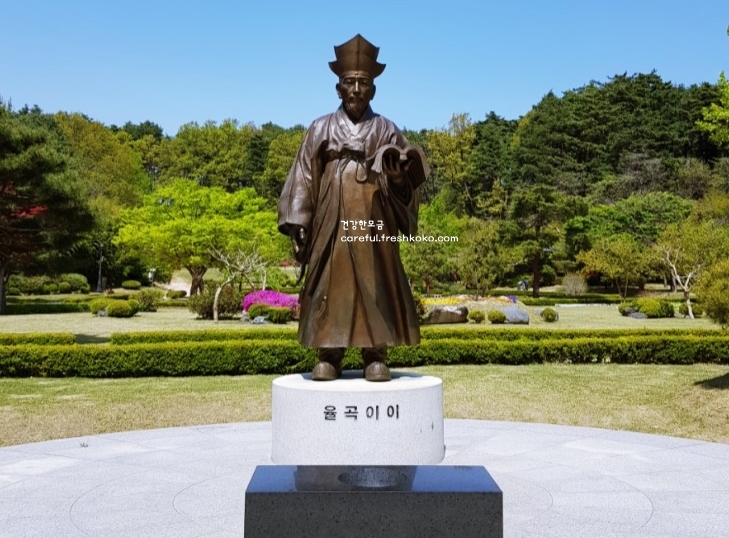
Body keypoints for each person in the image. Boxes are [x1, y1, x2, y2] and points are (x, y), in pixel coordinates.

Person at [278, 34, 428, 382]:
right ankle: (329, 354)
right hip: (331, 218)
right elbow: (304, 176)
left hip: (374, 219)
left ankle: (375, 353)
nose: (356, 89)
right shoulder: (320, 128)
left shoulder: (387, 129)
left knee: (376, 282)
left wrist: (398, 178)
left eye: (363, 83)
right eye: (349, 82)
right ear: (338, 88)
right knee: (329, 281)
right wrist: (299, 222)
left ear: (373, 89)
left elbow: (408, 180)